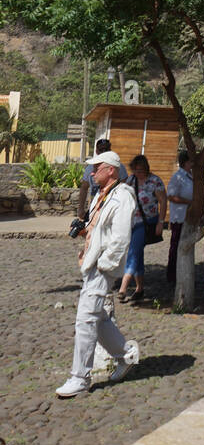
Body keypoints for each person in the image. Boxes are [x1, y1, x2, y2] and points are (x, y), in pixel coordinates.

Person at [56, 151, 140, 397]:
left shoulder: (123, 196)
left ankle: (80, 377)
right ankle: (126, 354)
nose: (92, 173)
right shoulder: (101, 196)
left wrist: (105, 264)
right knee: (98, 317)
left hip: (102, 267)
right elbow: (99, 229)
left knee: (85, 319)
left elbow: (121, 237)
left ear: (111, 170)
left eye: (97, 168)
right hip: (92, 263)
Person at [119, 155, 167, 303]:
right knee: (137, 253)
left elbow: (163, 201)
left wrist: (161, 222)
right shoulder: (131, 180)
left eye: (141, 170)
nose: (138, 173)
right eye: (135, 170)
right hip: (132, 222)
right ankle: (140, 289)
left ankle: (123, 287)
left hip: (146, 222)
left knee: (133, 251)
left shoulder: (155, 181)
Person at [77, 139, 126, 220]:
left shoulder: (119, 167)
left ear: (110, 150)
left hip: (111, 208)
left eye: (106, 149)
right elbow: (84, 188)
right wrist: (81, 208)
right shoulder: (90, 167)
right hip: (94, 207)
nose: (104, 151)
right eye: (101, 149)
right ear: (96, 151)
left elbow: (124, 187)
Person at [166, 148, 194, 287]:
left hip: (189, 217)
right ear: (185, 162)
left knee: (187, 245)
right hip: (179, 215)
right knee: (176, 245)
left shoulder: (192, 176)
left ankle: (183, 272)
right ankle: (172, 275)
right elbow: (171, 196)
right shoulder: (178, 177)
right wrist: (188, 202)